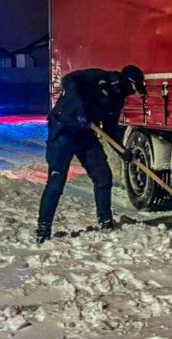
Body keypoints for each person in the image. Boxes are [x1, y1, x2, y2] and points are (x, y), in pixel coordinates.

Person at [36, 64, 145, 243]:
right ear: (126, 82)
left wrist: (122, 151)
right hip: (63, 130)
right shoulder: (98, 77)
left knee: (103, 177)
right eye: (132, 89)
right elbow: (68, 81)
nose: (131, 94)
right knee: (56, 181)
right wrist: (79, 109)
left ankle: (105, 221)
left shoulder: (116, 100)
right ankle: (43, 227)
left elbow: (109, 129)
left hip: (85, 134)